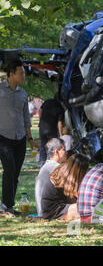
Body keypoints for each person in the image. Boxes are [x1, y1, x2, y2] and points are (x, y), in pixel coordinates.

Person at [0, 59, 39, 215]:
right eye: (21, 73)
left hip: (21, 139)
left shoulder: (23, 93)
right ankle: (6, 206)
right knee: (9, 169)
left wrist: (30, 139)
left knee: (15, 173)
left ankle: (8, 206)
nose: (24, 76)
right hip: (3, 138)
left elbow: (26, 118)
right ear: (11, 74)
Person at [41, 154, 89, 220]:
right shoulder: (69, 178)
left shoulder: (62, 171)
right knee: (84, 208)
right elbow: (78, 197)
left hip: (50, 210)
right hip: (53, 211)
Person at [35, 138, 67, 217]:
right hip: (49, 211)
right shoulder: (55, 167)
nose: (66, 152)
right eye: (64, 149)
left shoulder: (47, 166)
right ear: (56, 152)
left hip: (43, 210)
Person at [38, 94, 65, 167]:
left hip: (42, 128)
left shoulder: (47, 101)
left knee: (43, 146)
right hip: (52, 130)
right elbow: (60, 123)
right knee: (52, 148)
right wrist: (61, 135)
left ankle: (42, 165)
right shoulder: (60, 107)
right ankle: (49, 165)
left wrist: (41, 120)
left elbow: (40, 110)